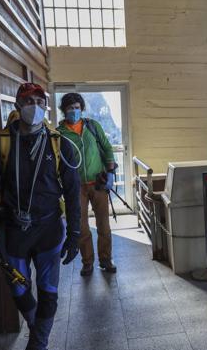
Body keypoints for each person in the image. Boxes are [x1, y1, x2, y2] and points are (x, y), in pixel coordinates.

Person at [0, 82, 81, 350]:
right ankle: (39, 334)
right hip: (13, 230)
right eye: (28, 101)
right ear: (17, 106)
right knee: (19, 291)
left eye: (40, 101)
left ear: (46, 106)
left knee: (48, 292)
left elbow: (72, 193)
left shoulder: (60, 145)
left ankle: (38, 344)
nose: (35, 107)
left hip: (49, 229)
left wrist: (75, 234)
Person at [57, 93, 117, 276]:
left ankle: (105, 259)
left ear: (81, 108)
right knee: (82, 227)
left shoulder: (92, 126)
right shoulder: (59, 134)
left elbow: (106, 147)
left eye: (77, 107)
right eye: (70, 108)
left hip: (98, 183)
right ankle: (87, 262)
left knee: (104, 226)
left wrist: (111, 172)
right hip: (75, 187)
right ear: (63, 110)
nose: (74, 111)